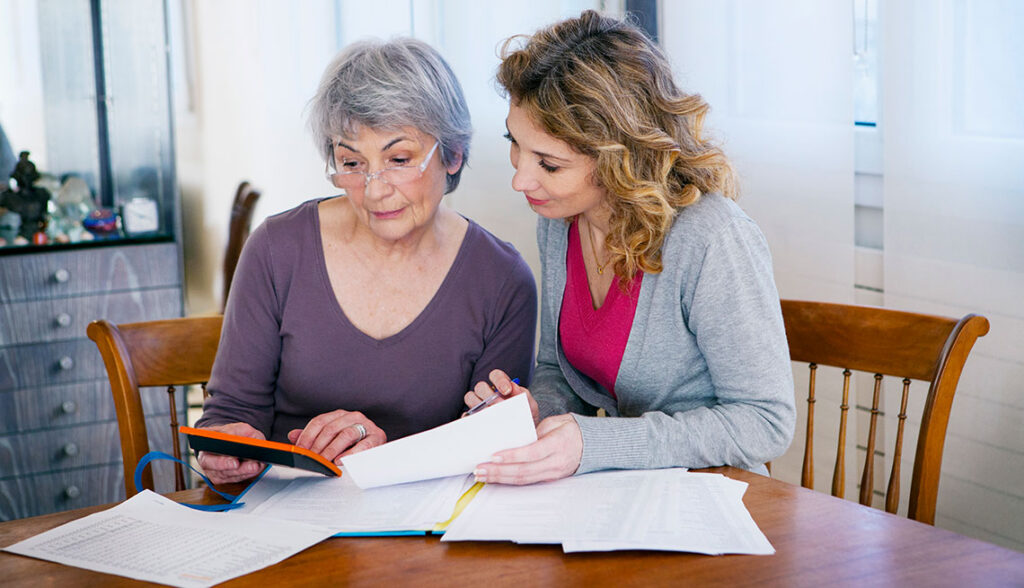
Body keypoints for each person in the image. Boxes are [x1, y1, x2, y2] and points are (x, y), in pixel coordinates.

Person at [466, 11, 795, 485]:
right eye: (514, 144)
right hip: (626, 485)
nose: (520, 178)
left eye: (550, 164)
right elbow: (558, 369)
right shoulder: (560, 221)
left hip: (714, 494)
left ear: (621, 158)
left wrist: (593, 442)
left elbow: (765, 423)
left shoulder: (711, 238)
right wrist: (537, 409)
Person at [197, 38, 537, 484]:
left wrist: (383, 454)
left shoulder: (502, 280)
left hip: (424, 526)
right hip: (288, 512)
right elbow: (229, 414)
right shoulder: (276, 251)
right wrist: (226, 449)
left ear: (452, 155)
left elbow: (489, 445)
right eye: (351, 162)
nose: (374, 190)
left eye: (399, 159)